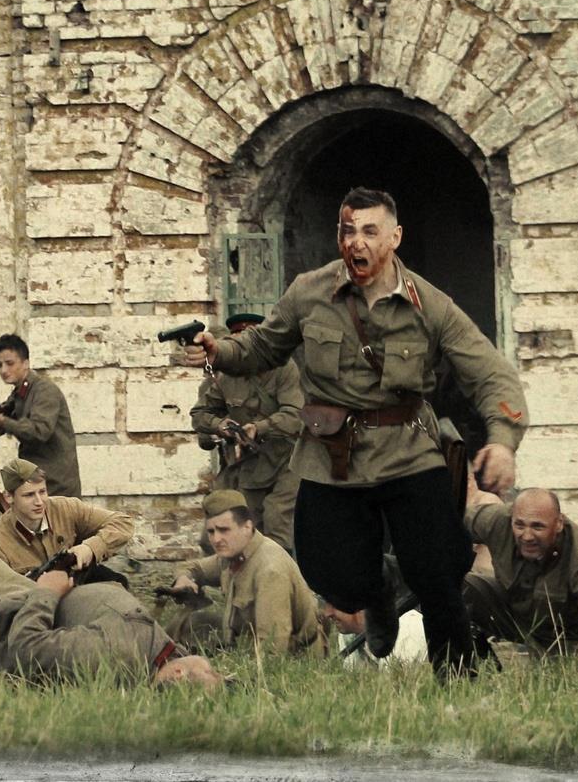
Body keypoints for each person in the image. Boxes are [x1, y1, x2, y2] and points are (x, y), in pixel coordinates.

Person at [180, 187, 528, 676]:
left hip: (408, 451)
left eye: (369, 231)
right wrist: (218, 351)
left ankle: (458, 678)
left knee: (438, 571)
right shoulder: (310, 292)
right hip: (333, 454)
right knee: (326, 570)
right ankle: (375, 590)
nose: (356, 242)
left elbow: (492, 375)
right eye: (348, 231)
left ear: (394, 237)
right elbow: (262, 346)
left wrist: (502, 439)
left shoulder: (429, 304)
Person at [0, 532, 222, 689]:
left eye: (211, 672)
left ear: (178, 674)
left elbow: (25, 648)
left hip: (12, 620)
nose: (216, 670)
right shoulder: (163, 656)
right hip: (40, 598)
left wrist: (47, 591)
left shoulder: (110, 652)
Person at [463, 488, 578, 658]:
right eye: (519, 525)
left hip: (564, 639)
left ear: (559, 524)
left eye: (538, 527)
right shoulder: (498, 520)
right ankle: (472, 662)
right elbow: (451, 520)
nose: (527, 536)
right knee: (460, 586)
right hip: (516, 615)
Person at [189, 312, 304, 551]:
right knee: (218, 533)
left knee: (276, 527)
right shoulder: (226, 375)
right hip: (244, 466)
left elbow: (296, 415)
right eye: (238, 340)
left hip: (285, 462)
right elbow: (200, 415)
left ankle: (274, 574)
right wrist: (221, 426)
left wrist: (258, 428)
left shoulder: (284, 369)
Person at [165, 490, 321, 654]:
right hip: (244, 642)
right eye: (211, 531)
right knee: (189, 623)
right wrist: (183, 579)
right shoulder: (233, 553)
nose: (216, 539)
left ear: (247, 527)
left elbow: (272, 649)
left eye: (224, 530)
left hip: (293, 656)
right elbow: (193, 567)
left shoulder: (270, 570)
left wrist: (228, 668)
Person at [0, 458, 133, 582]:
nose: (39, 502)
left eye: (42, 492)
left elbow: (123, 522)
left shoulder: (66, 508)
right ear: (8, 497)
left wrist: (90, 548)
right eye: (29, 495)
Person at [0, 334, 82, 496]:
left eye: (10, 363)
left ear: (26, 363)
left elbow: (39, 432)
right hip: (36, 483)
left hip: (56, 488)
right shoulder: (20, 393)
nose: (3, 370)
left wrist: (1, 419)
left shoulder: (45, 390)